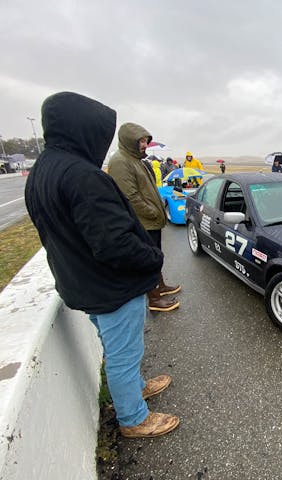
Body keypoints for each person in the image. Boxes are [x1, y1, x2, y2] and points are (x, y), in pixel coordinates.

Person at [24, 91, 179, 438]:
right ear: (82, 130)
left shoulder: (43, 171)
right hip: (110, 287)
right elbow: (114, 244)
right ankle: (134, 419)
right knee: (123, 354)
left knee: (117, 348)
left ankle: (136, 388)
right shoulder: (82, 176)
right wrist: (153, 258)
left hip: (81, 281)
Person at [108, 123, 181, 312]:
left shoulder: (135, 160)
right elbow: (130, 196)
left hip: (150, 222)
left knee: (155, 256)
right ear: (129, 140)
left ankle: (160, 287)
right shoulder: (120, 161)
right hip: (143, 222)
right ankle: (155, 299)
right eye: (140, 141)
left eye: (145, 141)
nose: (144, 145)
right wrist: (153, 212)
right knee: (148, 259)